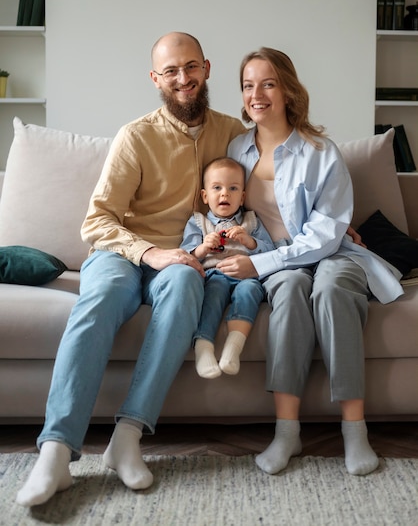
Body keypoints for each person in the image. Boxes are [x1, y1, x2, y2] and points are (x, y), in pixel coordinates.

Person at [16, 32, 247, 507]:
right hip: (123, 255)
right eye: (170, 71)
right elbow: (97, 220)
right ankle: (56, 452)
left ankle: (128, 437)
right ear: (155, 79)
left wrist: (335, 227)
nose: (182, 79)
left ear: (206, 67)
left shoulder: (234, 134)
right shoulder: (136, 135)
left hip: (183, 262)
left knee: (186, 280)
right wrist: (148, 252)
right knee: (97, 299)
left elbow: (270, 191)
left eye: (190, 67)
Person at [219, 47, 404, 476]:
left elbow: (325, 235)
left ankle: (354, 429)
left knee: (332, 286)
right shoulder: (236, 148)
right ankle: (287, 431)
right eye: (248, 85)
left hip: (330, 253)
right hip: (276, 263)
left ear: (287, 90)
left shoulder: (321, 151)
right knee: (288, 288)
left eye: (267, 83)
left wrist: (260, 265)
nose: (256, 94)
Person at [181, 156, 274, 379]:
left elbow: (270, 251)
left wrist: (249, 241)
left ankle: (234, 346)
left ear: (242, 197)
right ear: (205, 196)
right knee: (214, 291)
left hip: (247, 277)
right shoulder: (198, 222)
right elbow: (186, 255)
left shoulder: (251, 221)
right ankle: (204, 347)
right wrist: (204, 247)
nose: (225, 194)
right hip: (214, 274)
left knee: (251, 291)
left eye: (233, 188)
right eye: (217, 188)